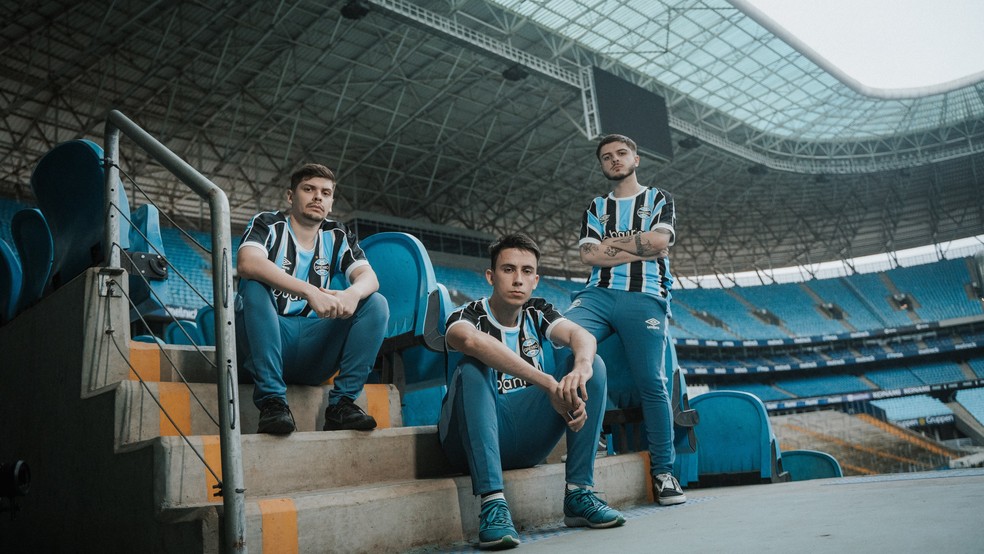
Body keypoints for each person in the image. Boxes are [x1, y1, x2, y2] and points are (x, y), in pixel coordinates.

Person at [438, 233, 625, 550]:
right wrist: (549, 383)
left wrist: (580, 368)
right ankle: (493, 505)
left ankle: (578, 493)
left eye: (526, 272)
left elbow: (583, 337)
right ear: (490, 275)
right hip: (464, 442)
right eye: (508, 269)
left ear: (536, 279)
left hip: (525, 438)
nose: (517, 280)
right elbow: (470, 342)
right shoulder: (464, 315)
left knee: (594, 368)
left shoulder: (538, 312)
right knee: (472, 369)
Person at [564, 134, 686, 506]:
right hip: (596, 295)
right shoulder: (596, 206)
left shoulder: (659, 198)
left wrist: (611, 247)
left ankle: (664, 472)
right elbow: (589, 256)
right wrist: (637, 243)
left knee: (652, 381)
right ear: (602, 165)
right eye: (606, 157)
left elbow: (659, 244)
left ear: (636, 158)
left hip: (645, 296)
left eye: (621, 154)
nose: (614, 160)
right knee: (559, 341)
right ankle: (591, 435)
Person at [235, 163, 389, 435]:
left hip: (312, 348)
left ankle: (341, 405)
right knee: (255, 285)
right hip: (265, 342)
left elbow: (370, 277)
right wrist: (310, 291)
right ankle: (272, 403)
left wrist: (352, 293)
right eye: (309, 189)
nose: (318, 197)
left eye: (326, 193)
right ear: (290, 196)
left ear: (331, 203)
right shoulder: (267, 224)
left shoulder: (337, 234)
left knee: (375, 303)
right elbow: (248, 262)